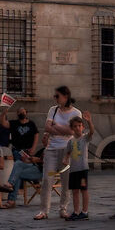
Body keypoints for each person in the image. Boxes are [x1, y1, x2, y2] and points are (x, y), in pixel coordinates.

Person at [42, 87, 80, 217]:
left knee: (66, 181)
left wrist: (55, 127)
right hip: (51, 149)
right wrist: (63, 129)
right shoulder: (53, 110)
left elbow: (72, 131)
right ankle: (44, 210)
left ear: (66, 96)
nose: (55, 98)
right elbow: (47, 126)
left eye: (57, 96)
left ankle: (63, 209)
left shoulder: (76, 113)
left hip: (67, 150)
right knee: (47, 179)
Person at [66, 106, 93, 220]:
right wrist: (65, 159)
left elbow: (92, 132)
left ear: (82, 127)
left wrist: (89, 121)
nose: (77, 128)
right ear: (72, 128)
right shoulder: (70, 141)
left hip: (82, 169)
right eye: (75, 126)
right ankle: (76, 211)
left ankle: (85, 211)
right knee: (75, 191)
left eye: (79, 126)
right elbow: (68, 152)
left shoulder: (85, 138)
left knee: (84, 189)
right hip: (74, 170)